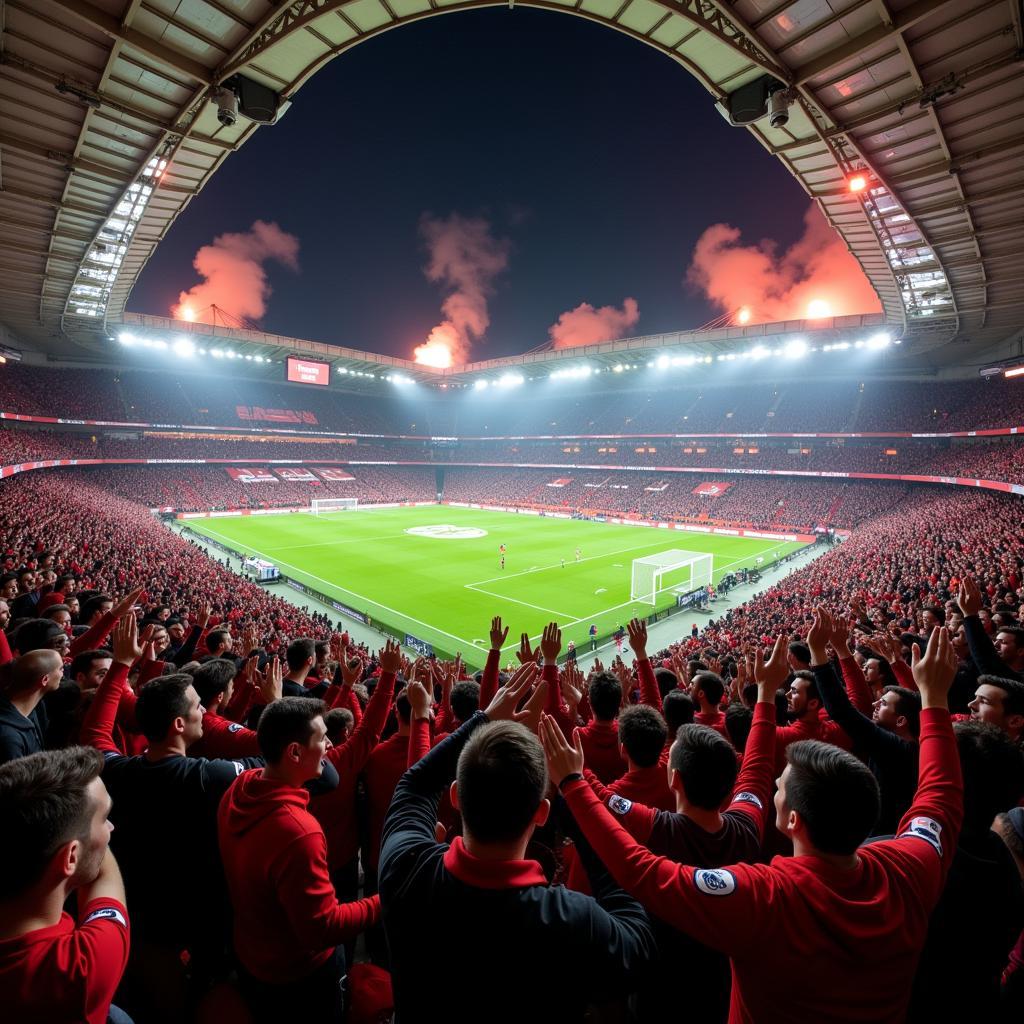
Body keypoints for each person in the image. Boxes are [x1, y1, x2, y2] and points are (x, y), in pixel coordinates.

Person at [545, 623, 964, 1024]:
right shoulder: (909, 867)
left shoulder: (768, 898)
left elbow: (640, 867)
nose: (774, 783)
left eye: (783, 786)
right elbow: (938, 798)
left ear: (793, 820)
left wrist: (572, 780)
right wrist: (933, 702)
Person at [379, 669, 656, 1023]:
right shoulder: (574, 920)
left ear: (456, 797)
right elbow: (638, 936)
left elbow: (414, 785)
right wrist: (573, 786)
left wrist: (484, 720)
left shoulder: (406, 869)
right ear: (542, 814)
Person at [218, 696, 380, 1023]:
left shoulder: (241, 786)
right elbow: (323, 928)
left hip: (251, 954)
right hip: (297, 975)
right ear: (294, 752)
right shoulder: (299, 833)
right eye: (322, 738)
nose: (329, 744)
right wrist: (386, 897)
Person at [0, 746, 130, 1024]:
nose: (111, 828)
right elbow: (107, 882)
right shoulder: (82, 967)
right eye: (105, 818)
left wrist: (77, 829)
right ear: (70, 856)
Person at [0, 650, 64, 764]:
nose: (63, 673)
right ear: (45, 680)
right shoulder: (9, 738)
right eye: (60, 669)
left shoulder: (37, 706)